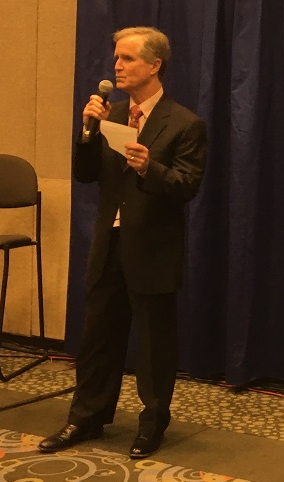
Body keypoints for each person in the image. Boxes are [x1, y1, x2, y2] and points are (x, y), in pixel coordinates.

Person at [39, 26, 207, 459]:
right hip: (108, 244)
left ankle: (152, 426)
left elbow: (187, 186)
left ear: (154, 65)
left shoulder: (184, 123)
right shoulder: (109, 115)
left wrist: (151, 167)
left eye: (128, 58)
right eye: (116, 58)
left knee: (153, 346)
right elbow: (85, 174)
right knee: (97, 338)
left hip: (152, 248)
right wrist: (88, 131)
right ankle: (86, 417)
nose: (117, 66)